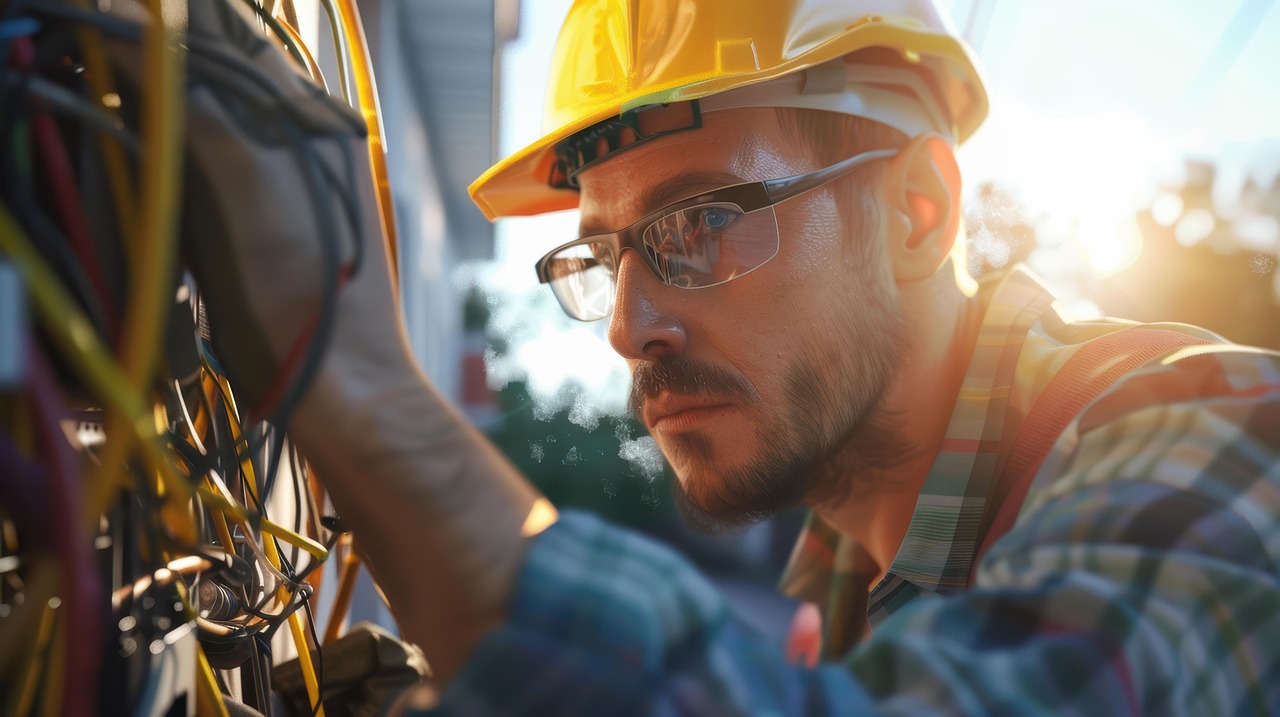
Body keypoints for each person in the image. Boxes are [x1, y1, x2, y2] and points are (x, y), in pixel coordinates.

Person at [193, 0, 1280, 713]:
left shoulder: (1210, 447)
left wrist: (367, 394)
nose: (628, 326)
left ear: (915, 211)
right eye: (605, 253)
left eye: (700, 222)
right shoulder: (847, 568)